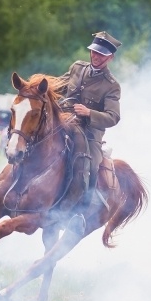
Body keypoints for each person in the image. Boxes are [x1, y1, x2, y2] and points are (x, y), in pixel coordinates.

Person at [58, 31, 122, 204]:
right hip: (63, 121)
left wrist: (89, 113)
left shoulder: (112, 86)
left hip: (89, 132)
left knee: (91, 165)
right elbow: (58, 86)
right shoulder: (77, 67)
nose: (96, 56)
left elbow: (113, 117)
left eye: (102, 54)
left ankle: (83, 208)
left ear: (110, 58)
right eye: (94, 51)